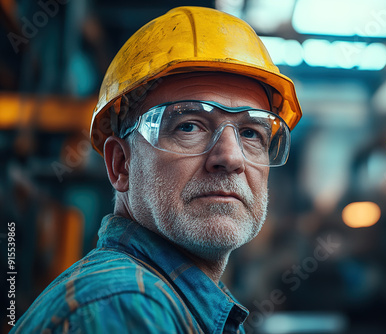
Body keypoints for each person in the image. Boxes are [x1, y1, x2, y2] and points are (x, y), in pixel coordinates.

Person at [12, 6, 302, 333]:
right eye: (189, 126)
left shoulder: (170, 303)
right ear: (121, 164)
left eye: (251, 133)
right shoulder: (125, 306)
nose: (231, 158)